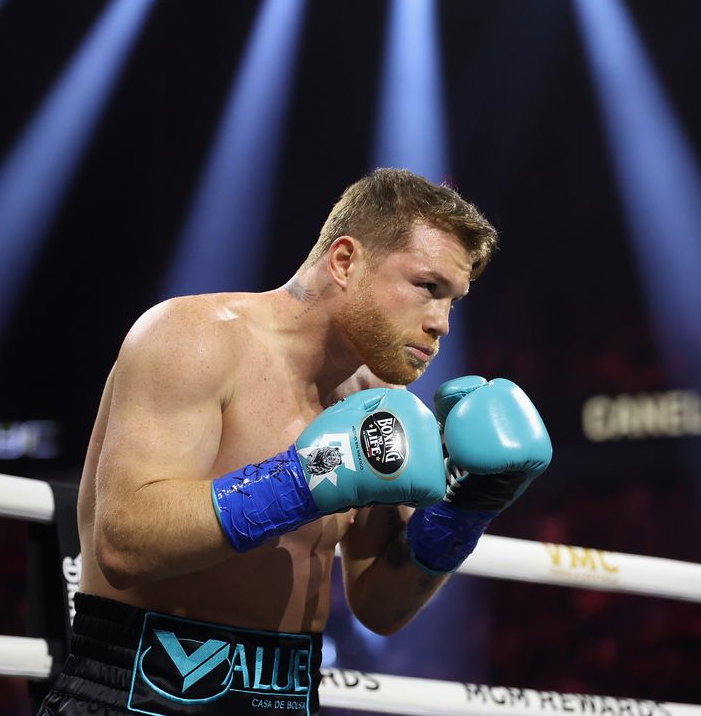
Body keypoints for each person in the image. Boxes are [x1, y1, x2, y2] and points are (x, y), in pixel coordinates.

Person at [38, 168, 552, 716]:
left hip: (286, 696)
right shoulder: (194, 337)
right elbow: (124, 545)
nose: (442, 323)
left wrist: (464, 510)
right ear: (345, 260)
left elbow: (380, 605)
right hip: (143, 688)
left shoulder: (380, 402)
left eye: (454, 300)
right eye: (428, 288)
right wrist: (306, 479)